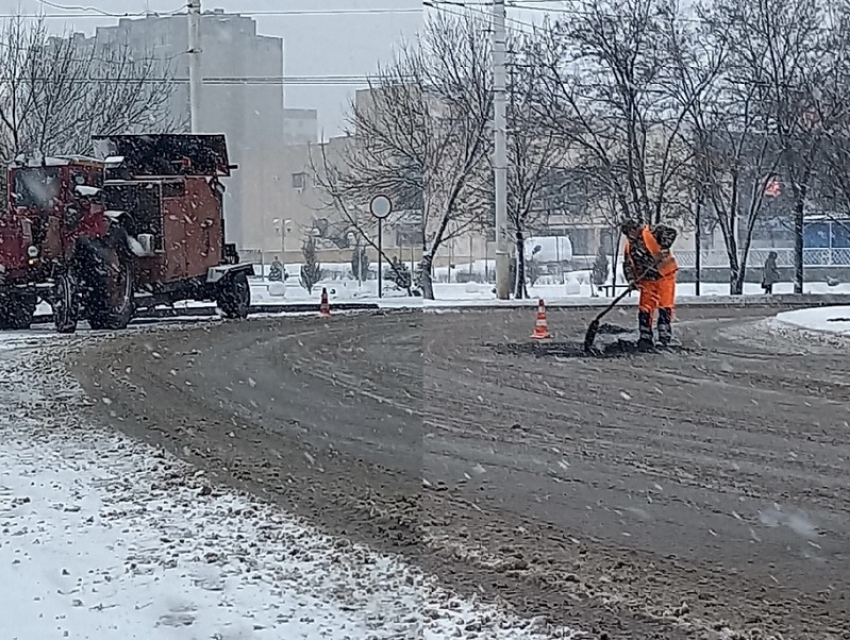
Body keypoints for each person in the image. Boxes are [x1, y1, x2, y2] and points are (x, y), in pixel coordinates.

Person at [621, 219, 679, 349]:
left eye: (630, 233)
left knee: (664, 305)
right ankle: (645, 337)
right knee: (645, 308)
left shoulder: (652, 232)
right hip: (646, 280)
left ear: (634, 229)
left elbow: (672, 233)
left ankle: (664, 337)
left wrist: (664, 245)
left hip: (665, 275)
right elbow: (628, 265)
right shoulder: (629, 246)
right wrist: (631, 280)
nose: (630, 237)